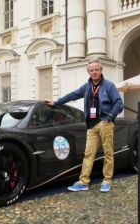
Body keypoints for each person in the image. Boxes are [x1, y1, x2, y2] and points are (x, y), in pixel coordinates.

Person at [45, 59, 123, 192]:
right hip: (91, 126)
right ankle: (84, 182)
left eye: (96, 69)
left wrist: (109, 117)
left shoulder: (109, 86)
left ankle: (107, 181)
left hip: (105, 123)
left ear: (100, 70)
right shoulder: (86, 87)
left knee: (108, 153)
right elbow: (73, 95)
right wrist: (56, 102)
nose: (94, 72)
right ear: (88, 72)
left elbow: (119, 104)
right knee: (88, 154)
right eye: (91, 70)